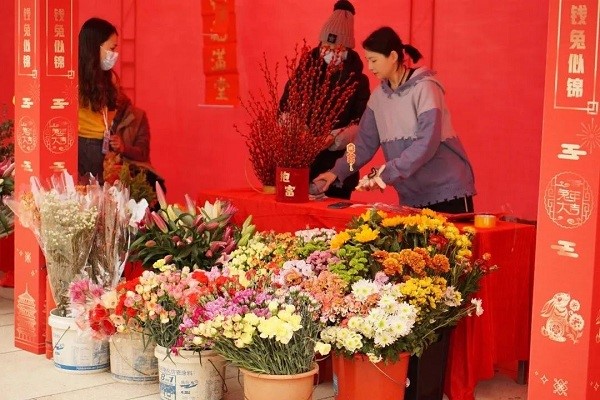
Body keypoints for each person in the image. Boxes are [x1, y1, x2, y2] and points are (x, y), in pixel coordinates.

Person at [313, 26, 476, 213]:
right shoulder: (378, 99)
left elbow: (426, 144)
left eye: (374, 60)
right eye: (368, 60)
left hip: (447, 191)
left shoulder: (426, 88)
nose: (370, 67)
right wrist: (337, 172)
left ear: (392, 56)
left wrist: (386, 173)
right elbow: (361, 147)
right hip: (412, 197)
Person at [279, 0, 370, 200]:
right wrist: (296, 129)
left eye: (336, 46)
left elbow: (362, 124)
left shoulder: (358, 82)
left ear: (346, 49)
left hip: (340, 164)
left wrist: (333, 138)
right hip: (300, 163)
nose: (329, 51)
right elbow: (284, 107)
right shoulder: (305, 72)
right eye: (326, 45)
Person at [78, 17, 157, 186]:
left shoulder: (110, 77)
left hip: (100, 144)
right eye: (111, 48)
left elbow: (112, 110)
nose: (114, 54)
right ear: (95, 47)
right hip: (81, 142)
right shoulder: (73, 76)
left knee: (98, 192)